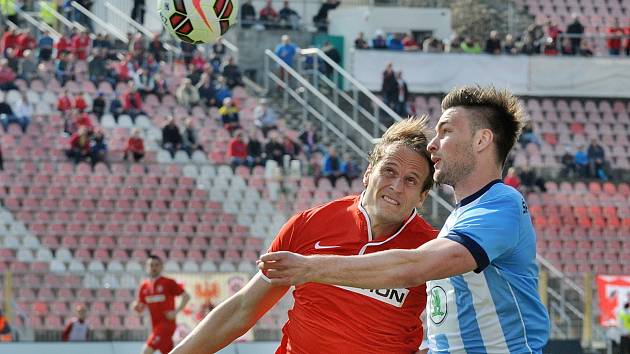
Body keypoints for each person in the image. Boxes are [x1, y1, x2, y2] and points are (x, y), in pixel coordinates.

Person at [259, 86, 551, 354]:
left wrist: (310, 267)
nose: (433, 145)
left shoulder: (501, 204)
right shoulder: (460, 219)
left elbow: (414, 266)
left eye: (445, 131)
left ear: (482, 139)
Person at [172, 117, 438, 354]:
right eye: (388, 171)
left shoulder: (433, 250)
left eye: (411, 180)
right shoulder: (308, 224)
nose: (396, 186)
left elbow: (458, 330)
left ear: (422, 197)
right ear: (368, 174)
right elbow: (243, 309)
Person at [133, 255, 190, 354]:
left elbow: (186, 296)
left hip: (166, 326)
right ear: (147, 267)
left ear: (161, 267)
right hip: (155, 327)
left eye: (156, 265)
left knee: (146, 352)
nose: (154, 268)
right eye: (151, 265)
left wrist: (176, 312)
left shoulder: (168, 282)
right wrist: (136, 307)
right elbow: (140, 308)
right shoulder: (144, 286)